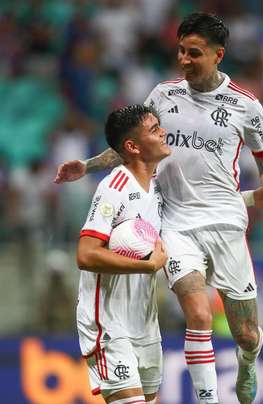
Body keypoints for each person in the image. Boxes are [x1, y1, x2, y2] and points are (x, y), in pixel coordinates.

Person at [56, 13, 263, 404]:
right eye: (181, 52)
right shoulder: (163, 94)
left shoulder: (246, 106)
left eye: (194, 53)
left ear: (218, 55)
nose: (184, 60)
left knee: (247, 334)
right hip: (174, 222)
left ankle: (249, 359)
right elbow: (130, 142)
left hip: (225, 223)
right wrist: (86, 165)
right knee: (198, 313)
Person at [76, 104, 169, 404]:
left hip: (144, 321)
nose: (163, 133)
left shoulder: (158, 187)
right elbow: (86, 255)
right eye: (154, 130)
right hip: (108, 323)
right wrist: (146, 266)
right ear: (132, 146)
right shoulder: (113, 187)